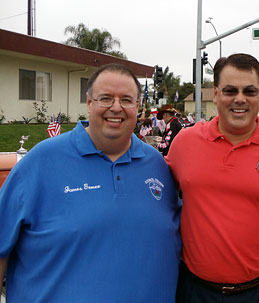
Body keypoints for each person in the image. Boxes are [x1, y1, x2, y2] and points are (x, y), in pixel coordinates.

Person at [0, 63, 181, 302]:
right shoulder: (40, 162)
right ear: (89, 103)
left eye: (126, 100)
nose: (116, 107)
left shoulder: (156, 165)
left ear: (138, 106)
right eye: (105, 98)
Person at [166, 53, 259, 303]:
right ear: (215, 94)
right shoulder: (185, 143)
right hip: (194, 291)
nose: (240, 99)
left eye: (249, 91)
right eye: (230, 90)